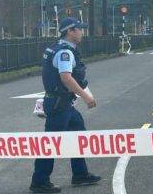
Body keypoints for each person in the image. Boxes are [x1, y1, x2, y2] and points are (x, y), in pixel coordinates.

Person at [30, 17, 101, 193]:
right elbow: (66, 78)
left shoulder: (56, 48)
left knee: (78, 133)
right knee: (51, 142)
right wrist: (85, 96)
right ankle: (39, 182)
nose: (82, 32)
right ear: (70, 31)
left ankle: (80, 174)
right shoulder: (65, 53)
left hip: (62, 103)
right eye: (79, 29)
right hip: (59, 104)